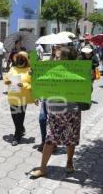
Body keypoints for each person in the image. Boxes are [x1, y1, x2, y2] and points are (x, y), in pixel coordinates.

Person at [30, 47, 86, 178]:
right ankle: (43, 168)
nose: (54, 59)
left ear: (66, 59)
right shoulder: (51, 70)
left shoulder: (78, 71)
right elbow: (40, 84)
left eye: (57, 57)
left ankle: (69, 162)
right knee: (50, 139)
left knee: (70, 140)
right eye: (54, 56)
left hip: (72, 111)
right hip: (54, 111)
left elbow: (86, 90)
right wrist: (35, 75)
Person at [4, 51, 34, 146]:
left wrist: (24, 85)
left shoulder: (29, 70)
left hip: (23, 98)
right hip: (12, 97)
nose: (20, 60)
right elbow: (6, 78)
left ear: (25, 60)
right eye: (18, 58)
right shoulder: (13, 68)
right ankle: (21, 128)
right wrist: (7, 81)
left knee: (19, 118)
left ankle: (17, 137)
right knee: (14, 117)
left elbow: (33, 85)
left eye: (22, 58)